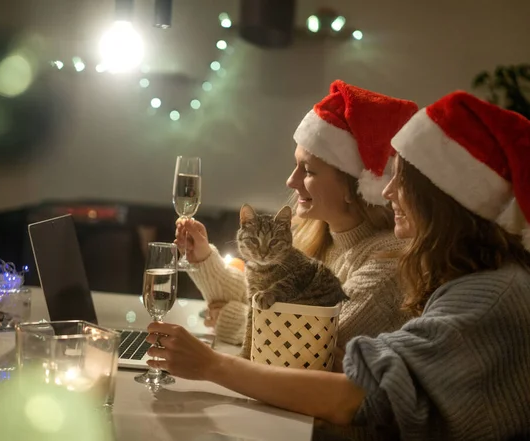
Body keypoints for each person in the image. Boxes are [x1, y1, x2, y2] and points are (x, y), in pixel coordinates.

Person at [148, 91, 530, 439]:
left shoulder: (491, 294)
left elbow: (346, 387)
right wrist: (212, 270)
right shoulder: (471, 280)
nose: (387, 190)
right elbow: (273, 303)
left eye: (403, 181)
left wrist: (213, 363)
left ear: (441, 199)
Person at [177, 80, 419, 359]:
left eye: (308, 171)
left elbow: (308, 345)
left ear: (354, 187)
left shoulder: (385, 262)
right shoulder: (316, 235)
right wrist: (204, 258)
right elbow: (259, 292)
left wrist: (229, 320)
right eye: (296, 166)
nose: (291, 181)